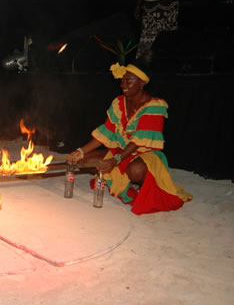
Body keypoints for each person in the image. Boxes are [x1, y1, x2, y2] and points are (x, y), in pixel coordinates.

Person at [67, 61, 192, 215]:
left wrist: (114, 161)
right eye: (122, 81)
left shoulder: (155, 106)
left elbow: (137, 142)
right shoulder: (118, 102)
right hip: (121, 151)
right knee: (86, 161)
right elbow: (106, 132)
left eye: (129, 81)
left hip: (144, 154)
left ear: (142, 83)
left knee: (135, 170)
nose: (123, 85)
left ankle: (146, 183)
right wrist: (80, 151)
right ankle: (126, 183)